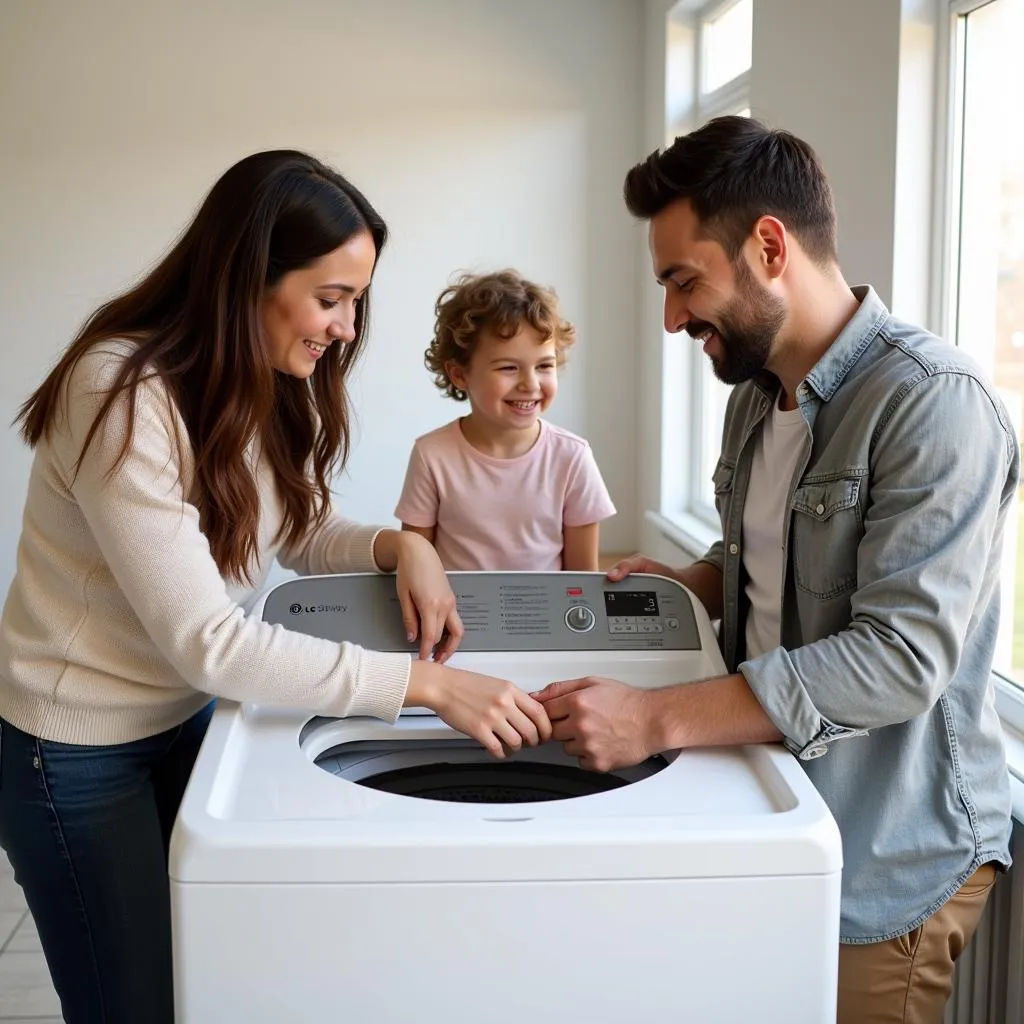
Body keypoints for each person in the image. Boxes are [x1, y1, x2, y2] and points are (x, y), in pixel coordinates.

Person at [0, 150, 551, 1024]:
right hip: (74, 749)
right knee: (132, 1002)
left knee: (215, 970)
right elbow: (208, 641)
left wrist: (402, 547)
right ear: (245, 277)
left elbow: (294, 527)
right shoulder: (121, 388)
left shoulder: (249, 379)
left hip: (181, 718)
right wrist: (427, 685)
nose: (345, 326)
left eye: (357, 301)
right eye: (330, 298)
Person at [534, 116, 1018, 1024]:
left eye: (684, 282)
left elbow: (899, 657)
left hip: (884, 855)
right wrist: (687, 585)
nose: (673, 318)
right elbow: (769, 562)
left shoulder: (932, 405)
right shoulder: (758, 400)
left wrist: (649, 718)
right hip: (774, 802)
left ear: (767, 247)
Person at [395, 269, 616, 571]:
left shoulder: (572, 457)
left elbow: (581, 581)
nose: (531, 384)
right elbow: (416, 565)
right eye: (509, 368)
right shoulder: (431, 455)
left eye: (544, 366)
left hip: (544, 616)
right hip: (456, 616)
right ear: (459, 374)